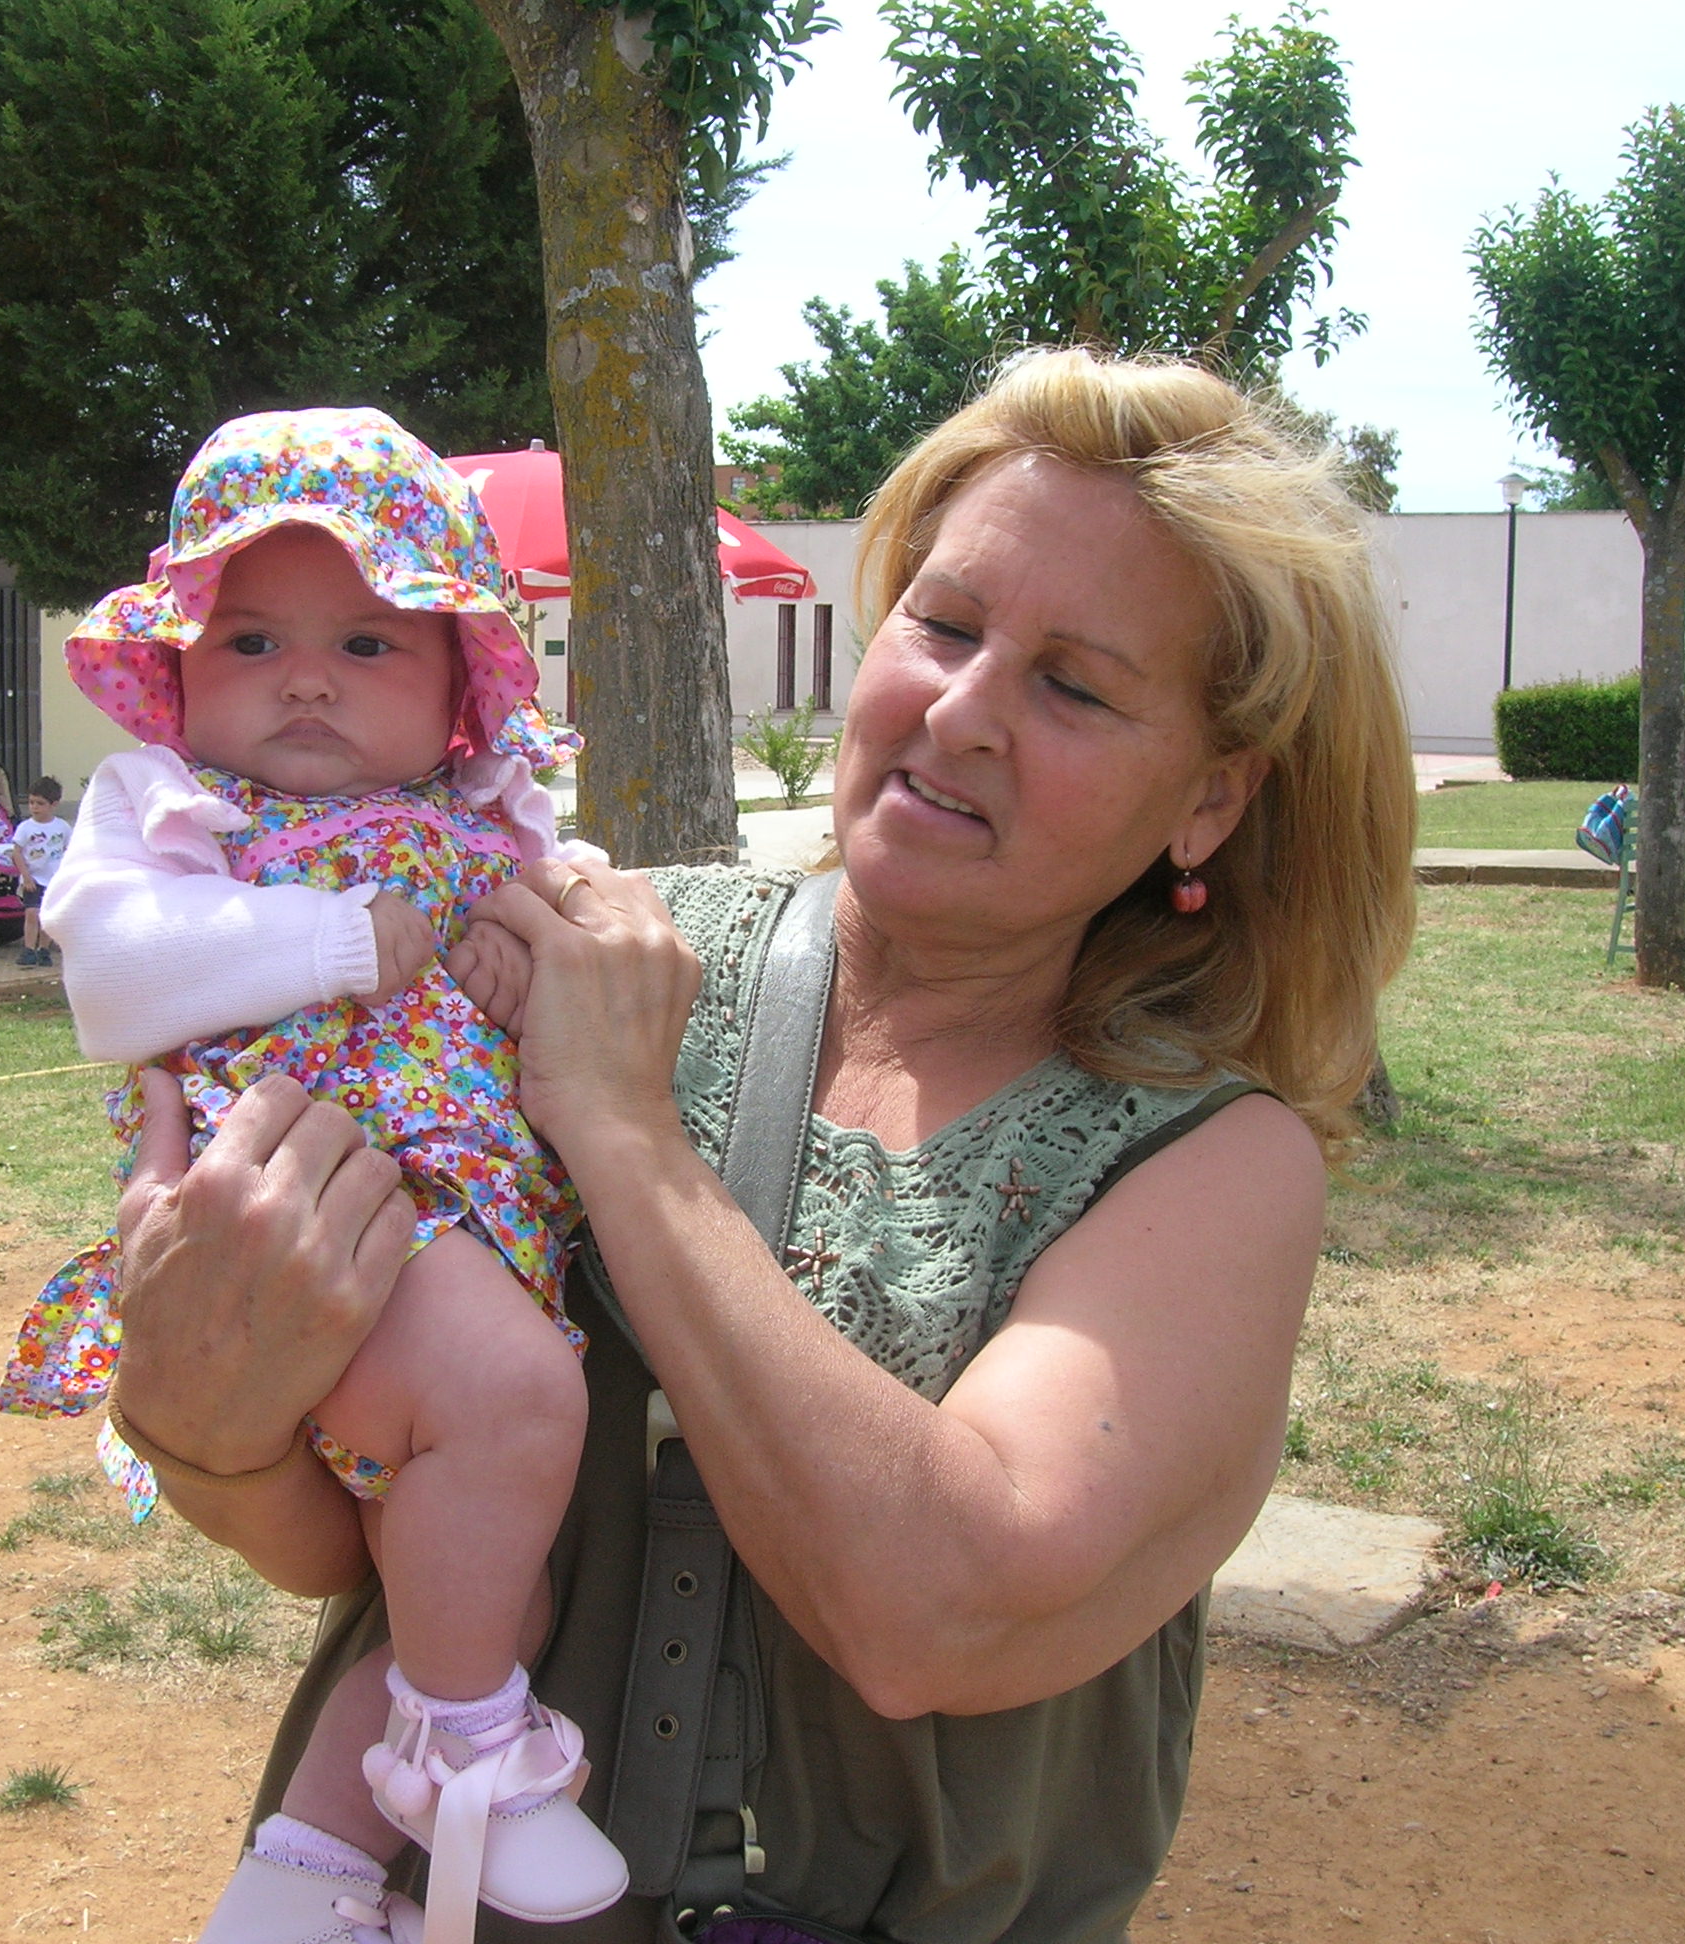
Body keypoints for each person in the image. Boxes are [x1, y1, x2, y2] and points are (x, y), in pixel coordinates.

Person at [98, 349, 1419, 1944]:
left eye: (1074, 686)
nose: (962, 712)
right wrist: (208, 1424)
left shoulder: (1211, 1165)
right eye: (944, 626)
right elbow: (363, 1530)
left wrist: (625, 1135)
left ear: (1209, 799)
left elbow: (939, 1613)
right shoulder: (594, 939)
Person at [0, 409, 627, 1944]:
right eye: (253, 638)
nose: (303, 678)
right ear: (179, 662)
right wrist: (343, 940)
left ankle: (306, 1875)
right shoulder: (171, 810)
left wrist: (533, 944)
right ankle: (473, 1758)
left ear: (459, 685)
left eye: (366, 642)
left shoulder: (481, 818)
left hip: (451, 1226)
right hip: (297, 1213)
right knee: (518, 1409)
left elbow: (585, 943)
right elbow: (114, 981)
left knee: (487, 1590)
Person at [12, 775, 74, 968]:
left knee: (47, 916)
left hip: (54, 880)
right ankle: (29, 949)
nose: (34, 807)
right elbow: (17, 852)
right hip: (34, 879)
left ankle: (44, 949)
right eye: (31, 802)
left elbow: (70, 849)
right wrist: (26, 876)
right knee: (32, 913)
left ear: (54, 804)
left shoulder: (62, 827)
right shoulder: (25, 828)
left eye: (40, 803)